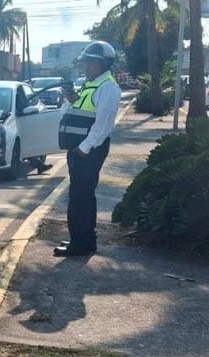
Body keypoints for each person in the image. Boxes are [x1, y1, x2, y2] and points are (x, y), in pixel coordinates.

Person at [55, 40, 122, 257]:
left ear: (103, 64)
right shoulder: (90, 85)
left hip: (88, 151)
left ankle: (81, 244)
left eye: (90, 63)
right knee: (79, 195)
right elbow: (73, 112)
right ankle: (82, 239)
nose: (86, 67)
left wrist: (84, 148)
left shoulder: (108, 87)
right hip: (80, 150)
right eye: (85, 63)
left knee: (81, 197)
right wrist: (70, 98)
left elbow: (104, 124)